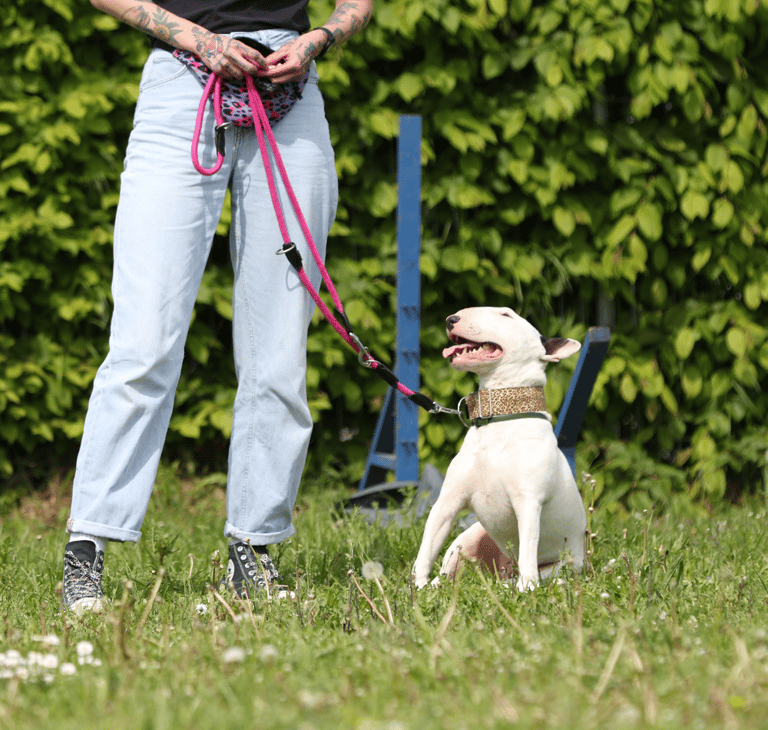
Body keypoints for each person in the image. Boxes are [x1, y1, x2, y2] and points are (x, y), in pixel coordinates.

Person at [62, 0, 373, 614]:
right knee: (144, 339)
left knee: (280, 351)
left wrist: (317, 40)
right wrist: (201, 41)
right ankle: (87, 549)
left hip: (292, 94)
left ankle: (254, 550)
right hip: (183, 83)